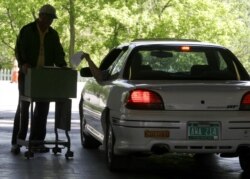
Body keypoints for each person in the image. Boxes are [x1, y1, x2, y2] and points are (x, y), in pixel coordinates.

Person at [11, 4, 67, 154]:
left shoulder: (53, 34)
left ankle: (37, 142)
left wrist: (63, 66)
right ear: (41, 16)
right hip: (28, 74)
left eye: (52, 19)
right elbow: (19, 49)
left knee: (43, 108)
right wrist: (23, 63)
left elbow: (58, 53)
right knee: (23, 107)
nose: (50, 22)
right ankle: (17, 141)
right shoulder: (27, 30)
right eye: (48, 18)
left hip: (45, 76)